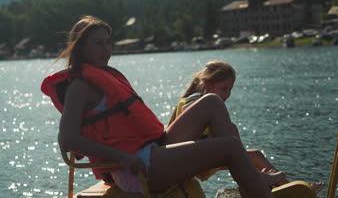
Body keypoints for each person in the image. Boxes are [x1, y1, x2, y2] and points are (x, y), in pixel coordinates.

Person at [40, 15, 285, 197]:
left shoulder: (106, 76)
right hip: (136, 168)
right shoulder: (80, 86)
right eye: (98, 44)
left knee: (212, 101)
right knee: (230, 145)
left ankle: (247, 180)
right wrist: (123, 157)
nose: (107, 50)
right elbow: (68, 140)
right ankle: (253, 183)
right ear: (80, 47)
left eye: (108, 43)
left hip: (152, 149)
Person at [168, 61, 324, 193]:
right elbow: (186, 112)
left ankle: (290, 188)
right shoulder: (195, 100)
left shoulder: (197, 100)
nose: (227, 94)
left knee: (256, 155)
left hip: (203, 158)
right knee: (235, 132)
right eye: (223, 88)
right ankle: (257, 178)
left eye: (230, 89)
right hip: (195, 161)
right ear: (207, 84)